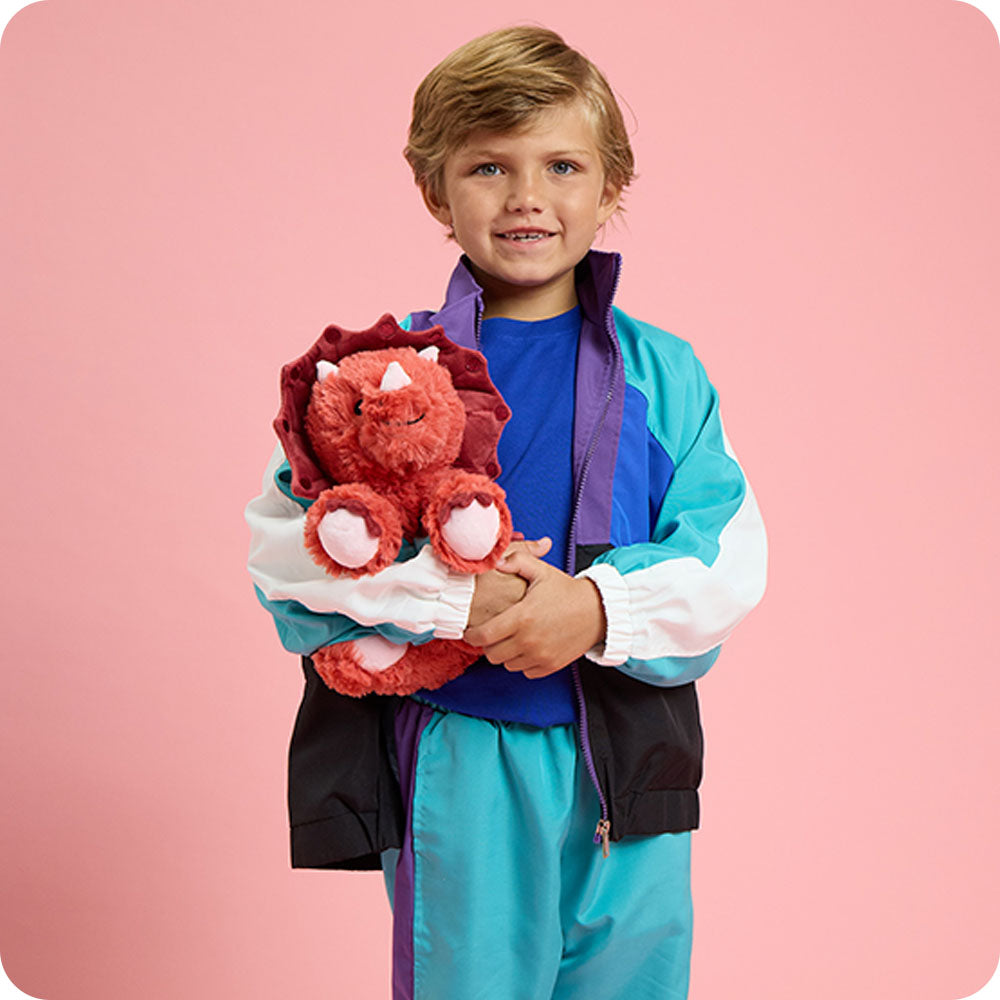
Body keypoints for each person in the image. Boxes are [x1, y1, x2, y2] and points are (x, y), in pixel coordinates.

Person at [245, 25, 767, 1000]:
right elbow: (288, 547)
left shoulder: (666, 374)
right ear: (435, 192)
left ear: (610, 188)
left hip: (629, 766)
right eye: (489, 166)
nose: (527, 194)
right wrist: (453, 603)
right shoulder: (380, 370)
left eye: (562, 165)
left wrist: (597, 609)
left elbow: (729, 554)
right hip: (460, 755)